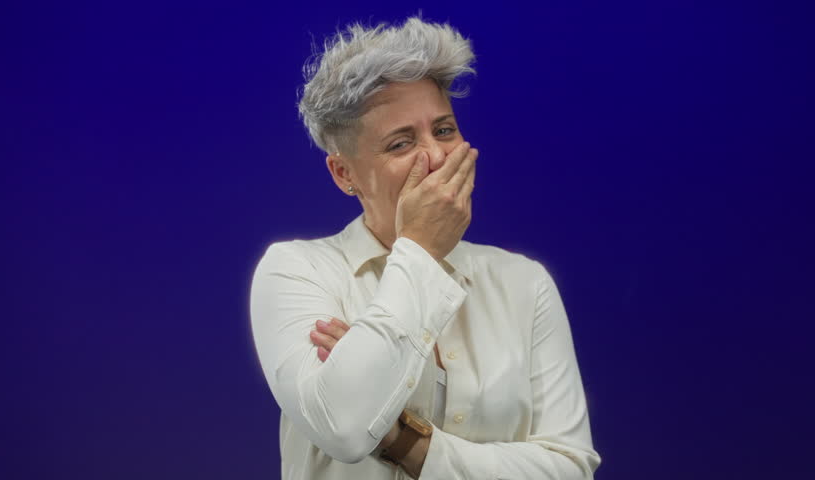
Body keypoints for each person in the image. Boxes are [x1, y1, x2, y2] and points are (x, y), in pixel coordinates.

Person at [249, 16, 601, 479]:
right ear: (343, 174)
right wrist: (419, 249)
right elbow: (347, 430)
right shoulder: (297, 271)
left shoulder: (524, 283)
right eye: (401, 143)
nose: (435, 157)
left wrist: (400, 438)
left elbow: (569, 470)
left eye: (444, 130)